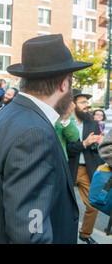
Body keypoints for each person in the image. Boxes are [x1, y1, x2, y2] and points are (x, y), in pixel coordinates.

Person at [0, 34, 91, 244]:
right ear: (64, 85)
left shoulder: (9, 114)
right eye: (71, 85)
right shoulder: (34, 132)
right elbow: (30, 233)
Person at [67, 89, 104, 244]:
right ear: (73, 104)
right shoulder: (65, 122)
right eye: (83, 102)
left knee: (93, 205)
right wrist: (84, 143)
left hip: (87, 169)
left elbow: (96, 150)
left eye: (87, 102)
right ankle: (64, 234)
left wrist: (97, 144)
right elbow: (67, 148)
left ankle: (85, 234)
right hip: (69, 168)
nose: (87, 105)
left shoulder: (92, 123)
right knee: (64, 206)